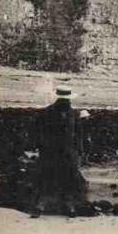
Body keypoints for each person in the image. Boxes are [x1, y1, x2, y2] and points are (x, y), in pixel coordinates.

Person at [32, 86, 88, 218]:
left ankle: (65, 206)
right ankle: (42, 206)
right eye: (66, 100)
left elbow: (79, 135)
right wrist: (80, 151)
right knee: (51, 179)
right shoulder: (50, 113)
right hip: (55, 152)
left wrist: (80, 151)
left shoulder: (72, 114)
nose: (67, 102)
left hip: (62, 153)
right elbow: (40, 133)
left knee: (63, 179)